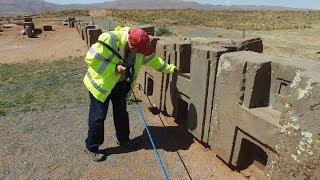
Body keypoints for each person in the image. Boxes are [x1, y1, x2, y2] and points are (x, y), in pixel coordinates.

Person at [83, 26, 177, 162]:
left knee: (121, 113)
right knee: (98, 117)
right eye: (137, 50)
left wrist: (169, 69)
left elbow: (153, 60)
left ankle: (123, 139)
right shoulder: (110, 39)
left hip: (120, 85)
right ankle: (91, 147)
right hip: (100, 85)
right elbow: (91, 59)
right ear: (130, 43)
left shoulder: (141, 49)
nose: (139, 53)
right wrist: (114, 68)